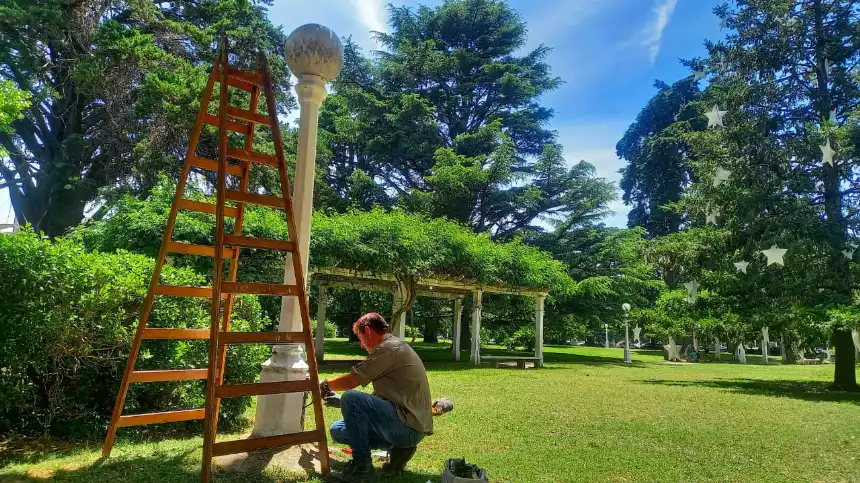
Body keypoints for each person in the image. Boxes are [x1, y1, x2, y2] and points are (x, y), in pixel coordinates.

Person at [320, 312, 433, 483]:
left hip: (407, 427)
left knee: (351, 397)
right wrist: (341, 401)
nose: (361, 344)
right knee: (338, 430)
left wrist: (324, 384)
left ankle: (362, 469)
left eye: (360, 337)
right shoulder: (394, 346)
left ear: (368, 330)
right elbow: (383, 397)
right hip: (408, 424)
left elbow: (353, 380)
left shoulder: (388, 348)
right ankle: (399, 449)